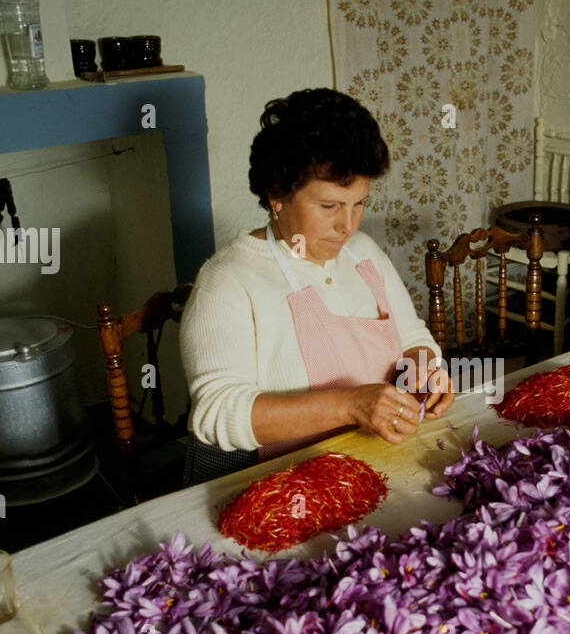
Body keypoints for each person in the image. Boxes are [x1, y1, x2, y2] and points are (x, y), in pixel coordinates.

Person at [180, 88, 453, 484]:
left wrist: (424, 370)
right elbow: (216, 413)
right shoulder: (227, 281)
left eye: (359, 203)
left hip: (365, 464)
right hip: (269, 483)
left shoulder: (363, 253)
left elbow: (411, 336)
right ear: (277, 195)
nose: (348, 225)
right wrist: (351, 405)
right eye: (329, 207)